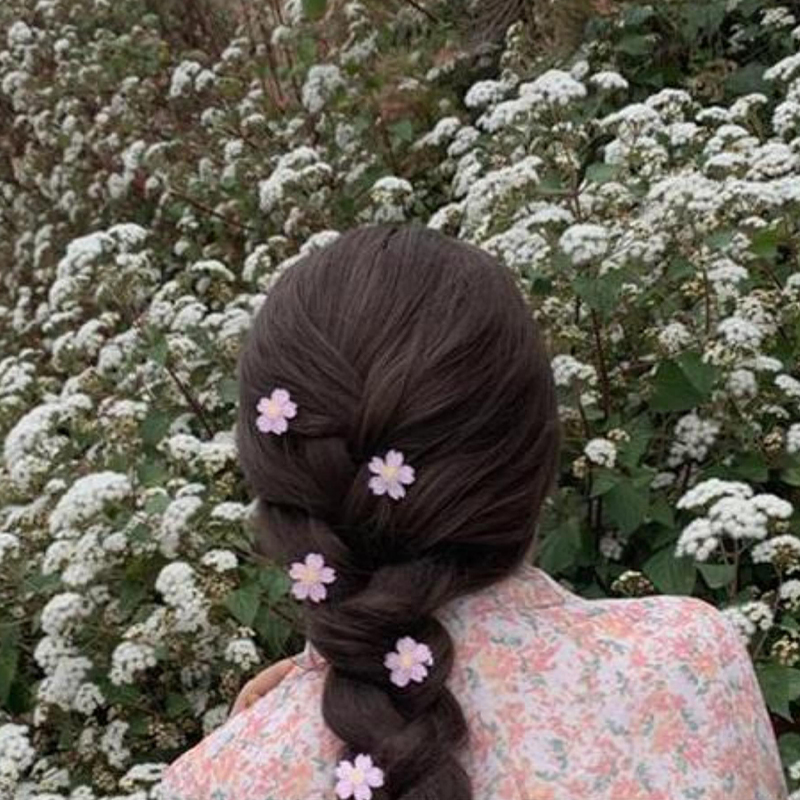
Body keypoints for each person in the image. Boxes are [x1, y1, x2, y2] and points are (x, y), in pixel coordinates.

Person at [160, 223, 789, 800]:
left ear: (275, 477)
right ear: (535, 449)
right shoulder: (688, 664)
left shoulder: (215, 781)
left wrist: (242, 752)